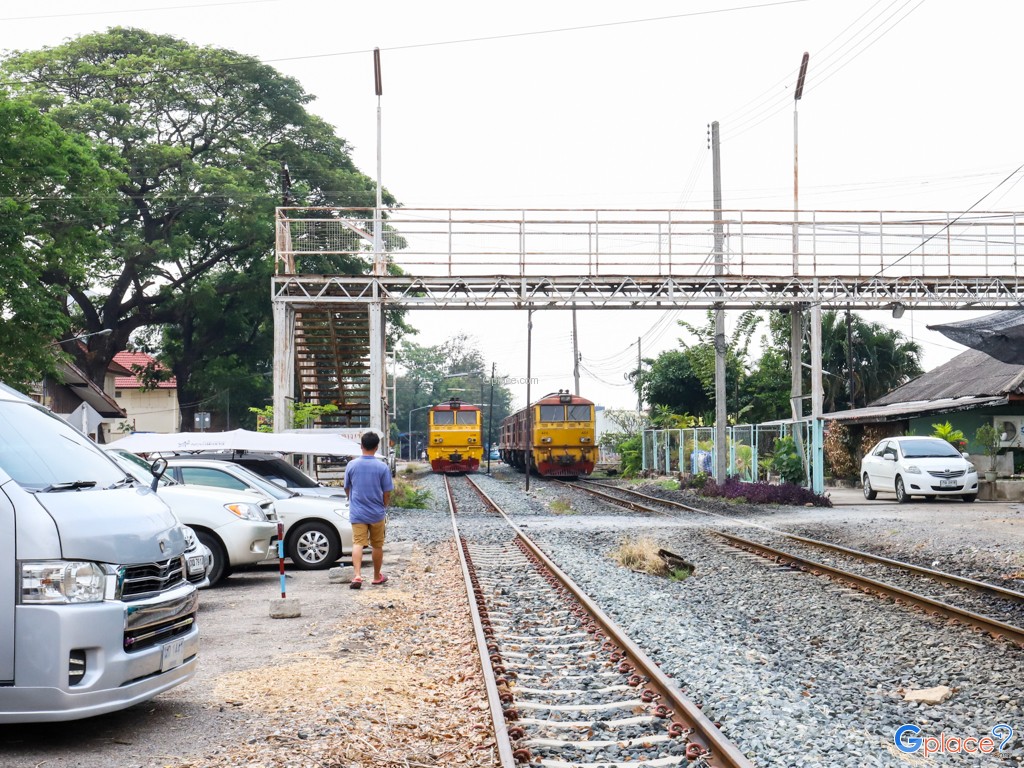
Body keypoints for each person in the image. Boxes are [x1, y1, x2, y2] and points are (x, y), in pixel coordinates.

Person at [344, 432, 393, 589]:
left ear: (361, 446)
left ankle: (357, 576)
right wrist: (384, 505)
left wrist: (352, 499)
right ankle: (376, 576)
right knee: (377, 545)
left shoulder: (351, 465)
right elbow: (387, 492)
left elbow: (346, 488)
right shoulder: (382, 466)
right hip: (376, 512)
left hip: (357, 512)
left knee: (358, 543)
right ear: (377, 447)